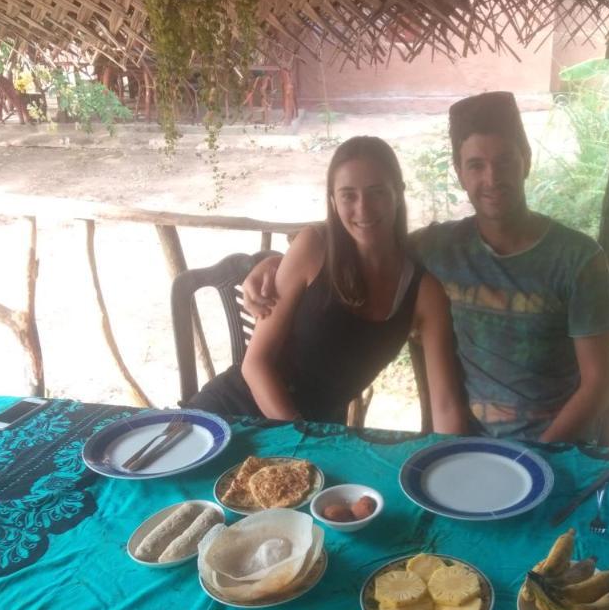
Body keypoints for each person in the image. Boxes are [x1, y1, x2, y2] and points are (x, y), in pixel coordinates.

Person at [243, 92, 609, 443]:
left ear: (526, 160)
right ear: (459, 171)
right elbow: (366, 234)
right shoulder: (440, 247)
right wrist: (272, 263)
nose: (492, 178)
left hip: (556, 448)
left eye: (505, 160)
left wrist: (541, 454)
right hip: (470, 442)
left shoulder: (579, 260)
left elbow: (599, 383)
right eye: (476, 164)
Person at [186, 135, 469, 434]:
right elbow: (255, 364)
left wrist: (451, 462)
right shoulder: (314, 248)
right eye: (348, 195)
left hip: (320, 436)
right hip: (234, 415)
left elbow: (446, 404)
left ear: (398, 193)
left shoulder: (424, 292)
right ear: (333, 201)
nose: (364, 208)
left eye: (377, 192)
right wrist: (303, 440)